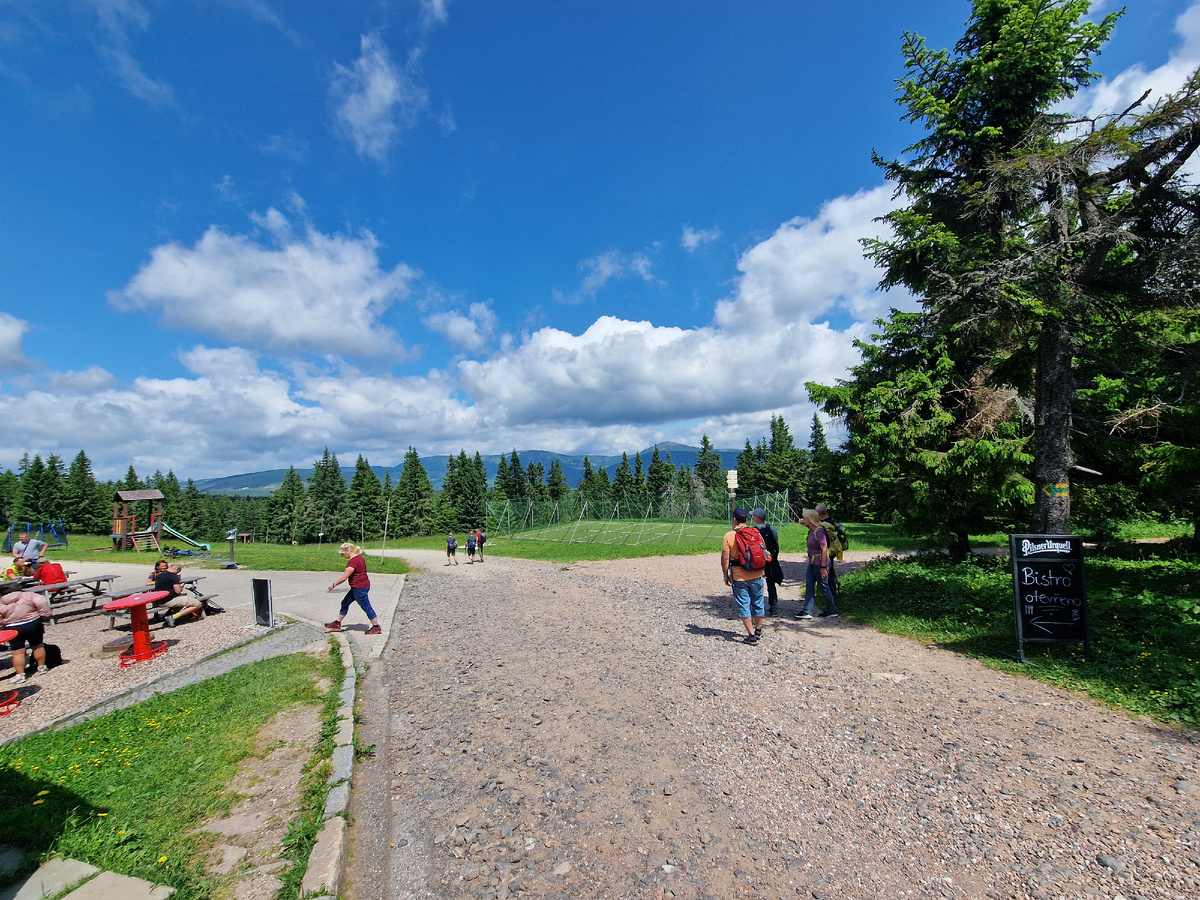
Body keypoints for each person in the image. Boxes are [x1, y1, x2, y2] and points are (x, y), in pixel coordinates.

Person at [721, 507, 767, 644]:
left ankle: (751, 635)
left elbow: (725, 559)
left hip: (739, 576)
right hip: (758, 573)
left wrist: (725, 574)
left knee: (744, 604)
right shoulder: (756, 532)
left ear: (734, 519)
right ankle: (758, 629)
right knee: (758, 602)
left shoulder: (729, 536)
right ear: (746, 519)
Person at [325, 543, 382, 634]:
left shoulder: (353, 562)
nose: (342, 555)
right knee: (345, 602)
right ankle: (337, 623)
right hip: (359, 586)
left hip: (360, 588)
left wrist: (333, 585)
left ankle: (376, 627)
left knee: (366, 607)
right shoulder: (360, 558)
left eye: (342, 553)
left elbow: (344, 577)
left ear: (347, 551)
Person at [0, 588, 51, 682]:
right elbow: (41, 601)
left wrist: (2, 623)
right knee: (38, 646)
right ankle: (42, 667)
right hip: (33, 623)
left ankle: (20, 675)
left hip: (12, 627)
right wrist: (44, 614)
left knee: (17, 652)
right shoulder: (28, 595)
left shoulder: (1, 601)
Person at [795, 509, 837, 620]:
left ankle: (832, 609)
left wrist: (823, 567)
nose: (803, 520)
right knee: (809, 586)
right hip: (812, 562)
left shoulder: (819, 532)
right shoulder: (811, 529)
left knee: (823, 587)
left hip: (820, 563)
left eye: (805, 518)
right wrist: (806, 520)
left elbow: (824, 550)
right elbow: (801, 522)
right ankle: (807, 611)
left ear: (810, 519)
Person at [751, 508, 783, 617]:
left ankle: (757, 608)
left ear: (756, 517)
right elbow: (776, 543)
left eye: (753, 515)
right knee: (771, 584)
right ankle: (773, 607)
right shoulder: (771, 529)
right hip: (770, 560)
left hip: (758, 561)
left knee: (756, 584)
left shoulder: (753, 530)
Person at [152, 563, 203, 627]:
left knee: (184, 599)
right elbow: (178, 591)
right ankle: (173, 617)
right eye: (178, 571)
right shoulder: (174, 576)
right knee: (197, 604)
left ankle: (173, 618)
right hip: (169, 600)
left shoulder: (160, 575)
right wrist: (181, 586)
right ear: (176, 569)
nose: (178, 573)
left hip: (159, 600)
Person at [815, 503, 843, 597]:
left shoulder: (824, 525)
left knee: (827, 574)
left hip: (826, 553)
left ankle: (831, 596)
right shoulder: (831, 523)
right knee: (830, 573)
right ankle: (832, 594)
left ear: (818, 513)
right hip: (832, 551)